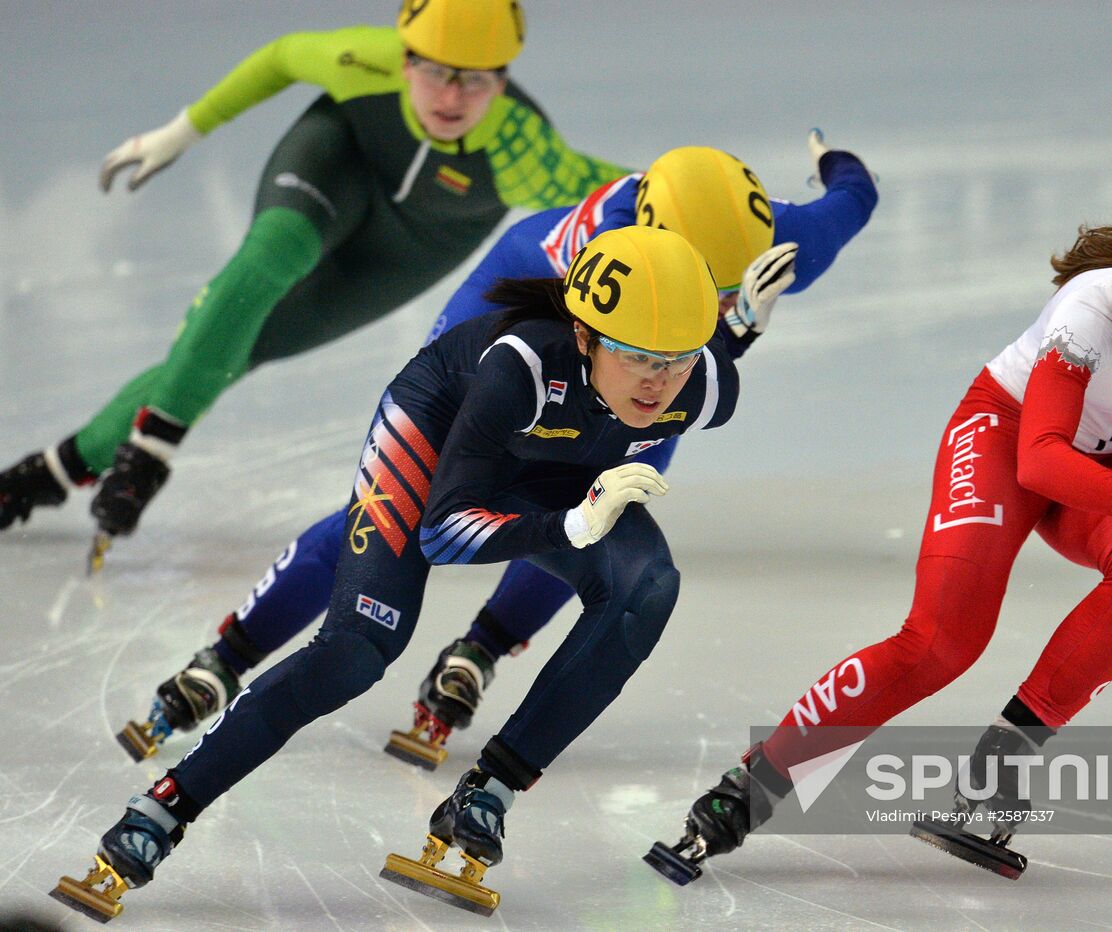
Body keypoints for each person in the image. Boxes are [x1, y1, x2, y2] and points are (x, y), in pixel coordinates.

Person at [112, 134, 879, 766]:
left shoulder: (773, 246)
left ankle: (481, 647)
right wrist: (732, 334)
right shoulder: (583, 251)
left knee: (606, 501)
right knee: (404, 502)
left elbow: (850, 205)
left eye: (718, 293)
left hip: (629, 379)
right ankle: (233, 651)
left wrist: (833, 160)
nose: (706, 307)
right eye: (701, 289)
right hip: (510, 322)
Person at [52, 225, 742, 920]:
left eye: (678, 359)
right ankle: (165, 809)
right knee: (356, 649)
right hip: (436, 441)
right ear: (586, 336)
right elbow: (442, 534)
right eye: (636, 356)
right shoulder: (519, 367)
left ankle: (488, 793)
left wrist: (738, 324)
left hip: (549, 469)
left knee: (646, 590)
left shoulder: (707, 386)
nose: (659, 380)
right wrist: (572, 525)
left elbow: (710, 354)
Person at [645, 191, 1112, 884]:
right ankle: (752, 789)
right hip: (1009, 435)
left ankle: (1001, 764)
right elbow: (1040, 459)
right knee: (943, 641)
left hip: (1108, 456)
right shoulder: (1097, 306)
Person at [0, 0, 629, 563]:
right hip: (336, 164)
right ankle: (151, 447)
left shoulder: (524, 152)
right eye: (436, 70)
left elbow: (630, 196)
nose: (452, 96)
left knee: (238, 346)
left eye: (477, 79)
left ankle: (53, 470)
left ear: (502, 80)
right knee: (267, 259)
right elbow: (280, 58)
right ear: (405, 60)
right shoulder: (363, 60)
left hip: (410, 247)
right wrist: (182, 130)